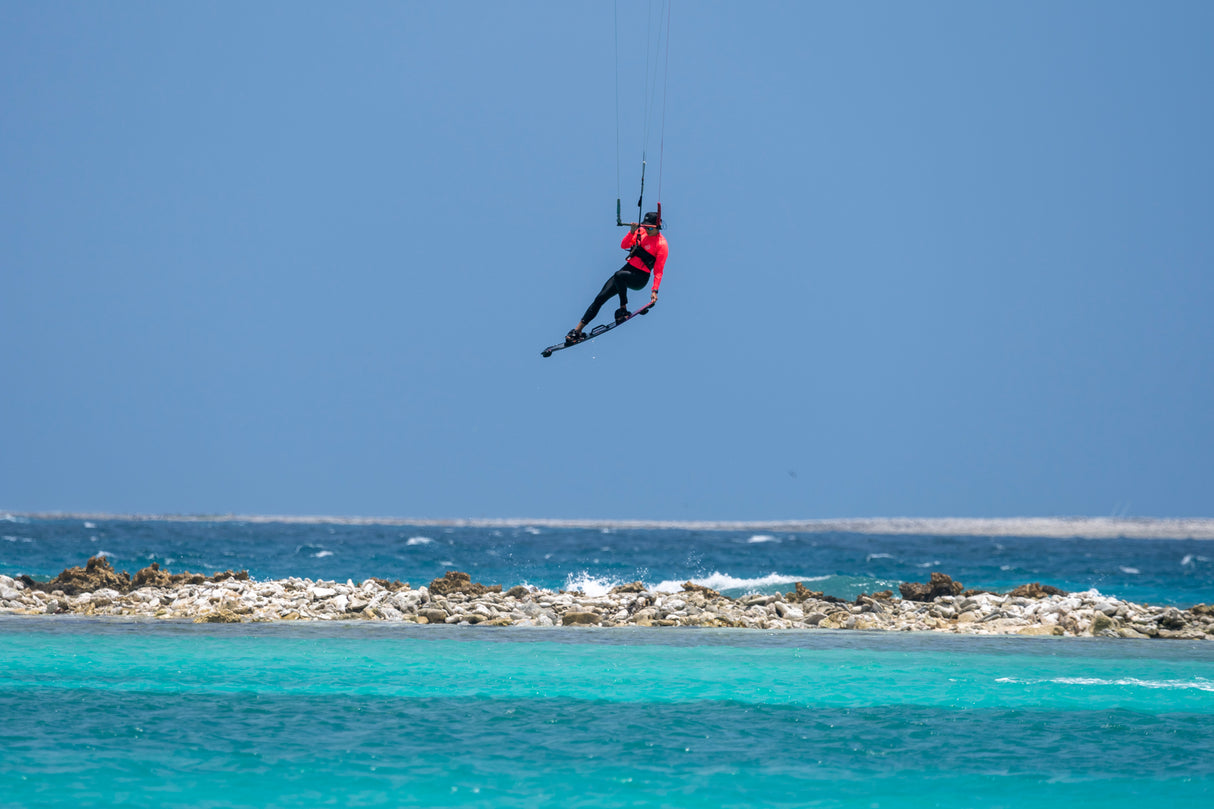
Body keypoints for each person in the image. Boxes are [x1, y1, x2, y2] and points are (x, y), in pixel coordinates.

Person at [566, 211, 668, 345]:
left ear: (658, 227)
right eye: (645, 227)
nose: (647, 230)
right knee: (600, 297)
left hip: (640, 278)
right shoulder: (641, 233)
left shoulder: (662, 244)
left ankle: (623, 309)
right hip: (626, 271)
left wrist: (654, 291)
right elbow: (624, 245)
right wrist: (631, 232)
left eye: (650, 228)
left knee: (618, 275)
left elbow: (659, 271)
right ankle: (577, 331)